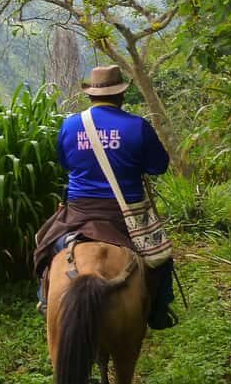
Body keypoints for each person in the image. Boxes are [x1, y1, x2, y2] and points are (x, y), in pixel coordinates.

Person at [33, 64, 177, 330]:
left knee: (44, 244)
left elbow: (66, 163)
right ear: (121, 95)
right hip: (126, 213)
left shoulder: (70, 125)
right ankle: (159, 311)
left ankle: (45, 299)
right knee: (161, 258)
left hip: (78, 211)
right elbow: (159, 166)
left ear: (91, 96)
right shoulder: (137, 126)